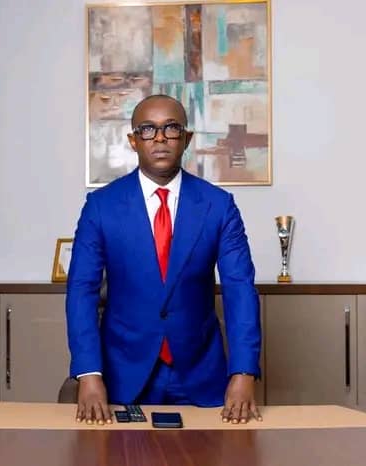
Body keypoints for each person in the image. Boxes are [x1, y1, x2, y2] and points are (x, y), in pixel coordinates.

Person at [66, 95, 262, 425]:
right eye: (148, 129)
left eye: (171, 128)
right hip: (122, 374)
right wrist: (88, 373)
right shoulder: (100, 207)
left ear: (186, 139)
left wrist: (243, 372)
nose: (159, 138)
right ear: (133, 140)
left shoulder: (219, 206)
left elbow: (240, 290)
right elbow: (81, 292)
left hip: (200, 373)